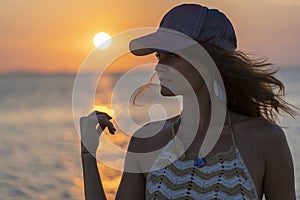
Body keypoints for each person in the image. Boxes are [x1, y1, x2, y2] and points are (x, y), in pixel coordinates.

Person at [80, 4, 297, 200]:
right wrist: (88, 154)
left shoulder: (265, 140)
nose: (158, 66)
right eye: (158, 55)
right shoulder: (146, 141)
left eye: (172, 55)